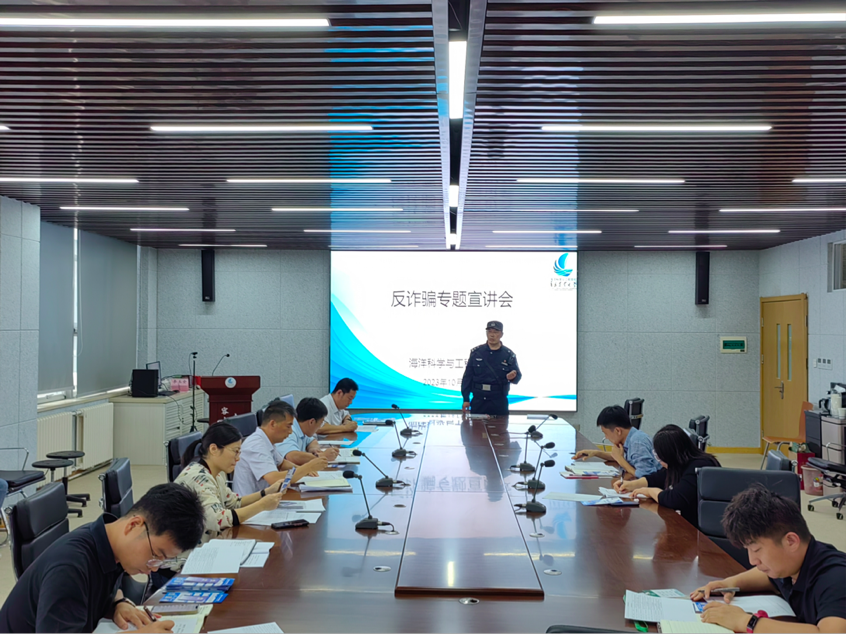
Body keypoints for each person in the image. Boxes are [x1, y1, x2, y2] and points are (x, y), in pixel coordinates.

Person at [0, 483, 204, 634]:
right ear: (134, 525)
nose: (154, 568)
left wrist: (118, 603)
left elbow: (102, 587)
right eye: (156, 555)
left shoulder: (111, 545)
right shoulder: (70, 567)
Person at [692, 484, 846, 634]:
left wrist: (745, 622)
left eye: (756, 549)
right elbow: (767, 576)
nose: (752, 561)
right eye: (748, 550)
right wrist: (730, 583)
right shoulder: (790, 564)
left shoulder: (836, 578)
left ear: (791, 541)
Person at [175, 422, 289, 540]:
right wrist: (262, 505)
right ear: (214, 449)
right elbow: (220, 519)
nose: (238, 458)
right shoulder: (198, 478)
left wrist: (266, 492)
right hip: (196, 547)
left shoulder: (217, 473)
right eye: (235, 451)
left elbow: (233, 502)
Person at [614, 423, 720, 526]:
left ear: (671, 455)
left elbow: (675, 499)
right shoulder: (681, 462)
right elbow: (658, 477)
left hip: (704, 527)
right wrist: (632, 485)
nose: (660, 462)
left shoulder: (699, 466)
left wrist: (650, 491)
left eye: (660, 457)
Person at [232, 400, 327, 496]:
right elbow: (274, 479)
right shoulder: (256, 445)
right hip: (252, 503)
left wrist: (305, 471)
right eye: (288, 426)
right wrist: (307, 468)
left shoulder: (266, 440)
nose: (290, 432)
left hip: (267, 499)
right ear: (273, 424)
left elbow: (282, 464)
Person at [574, 405, 662, 478]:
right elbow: (618, 456)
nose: (606, 437)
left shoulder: (637, 442)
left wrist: (621, 460)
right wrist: (596, 453)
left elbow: (646, 476)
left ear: (618, 431)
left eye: (606, 433)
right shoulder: (631, 437)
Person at [461, 320, 522, 416]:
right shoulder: (477, 352)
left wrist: (512, 377)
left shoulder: (508, 355)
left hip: (498, 401)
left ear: (501, 334)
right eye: (489, 332)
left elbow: (517, 376)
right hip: (479, 401)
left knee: (500, 426)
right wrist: (466, 399)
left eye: (495, 332)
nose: (492, 335)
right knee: (476, 425)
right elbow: (467, 377)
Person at [277, 397, 340, 466]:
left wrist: (314, 449)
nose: (320, 427)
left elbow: (312, 441)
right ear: (311, 422)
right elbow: (292, 457)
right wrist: (323, 456)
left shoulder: (303, 428)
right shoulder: (289, 431)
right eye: (321, 423)